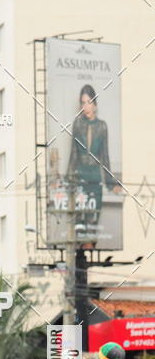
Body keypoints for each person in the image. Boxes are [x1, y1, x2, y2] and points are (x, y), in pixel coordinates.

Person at [66, 84, 122, 244]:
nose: (86, 107)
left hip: (96, 180)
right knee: (80, 226)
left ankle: (87, 256)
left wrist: (111, 184)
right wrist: (67, 182)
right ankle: (79, 261)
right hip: (80, 179)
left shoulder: (102, 126)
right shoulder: (77, 124)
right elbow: (73, 155)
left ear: (95, 104)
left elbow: (105, 156)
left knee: (92, 224)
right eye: (83, 103)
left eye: (89, 102)